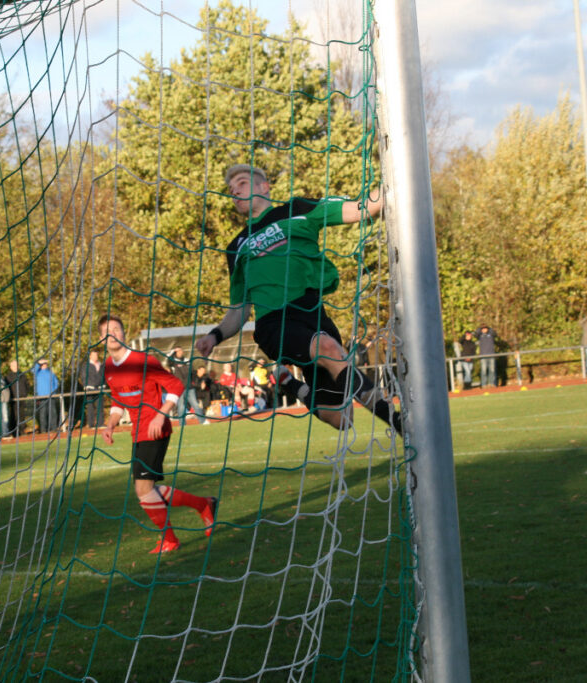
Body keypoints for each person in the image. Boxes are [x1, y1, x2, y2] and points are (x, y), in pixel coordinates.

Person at [194, 164, 400, 433]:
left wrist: (397, 181)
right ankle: (400, 423)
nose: (235, 191)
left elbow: (361, 208)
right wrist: (215, 335)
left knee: (342, 419)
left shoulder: (298, 210)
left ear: (263, 186)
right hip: (273, 323)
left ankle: (291, 384)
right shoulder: (237, 246)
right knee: (327, 348)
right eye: (231, 190)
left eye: (242, 183)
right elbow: (240, 308)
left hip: (312, 312)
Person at [99, 315, 217, 554]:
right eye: (107, 331)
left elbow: (176, 385)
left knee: (143, 489)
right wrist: (110, 424)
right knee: (147, 489)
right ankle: (203, 505)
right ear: (101, 338)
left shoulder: (144, 360)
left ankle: (171, 539)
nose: (113, 334)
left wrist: (161, 414)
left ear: (123, 333)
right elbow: (117, 402)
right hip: (138, 433)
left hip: (155, 429)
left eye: (117, 329)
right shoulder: (109, 368)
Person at [32, 358, 60, 433]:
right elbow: (33, 370)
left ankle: (53, 428)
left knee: (53, 413)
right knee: (43, 413)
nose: (44, 365)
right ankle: (43, 429)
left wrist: (53, 392)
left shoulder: (50, 372)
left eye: (45, 363)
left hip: (51, 396)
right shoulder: (37, 373)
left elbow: (56, 382)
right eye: (43, 364)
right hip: (42, 397)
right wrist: (39, 363)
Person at [79, 350, 106, 428]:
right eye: (94, 355)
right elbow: (83, 376)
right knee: (90, 407)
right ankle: (91, 424)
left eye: (96, 355)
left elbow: (104, 375)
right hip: (90, 389)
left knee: (100, 406)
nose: (95, 357)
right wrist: (86, 385)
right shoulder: (86, 366)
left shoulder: (101, 365)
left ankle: (100, 423)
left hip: (99, 388)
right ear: (90, 356)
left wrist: (103, 384)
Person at [4, 360, 30, 436]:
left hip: (22, 398)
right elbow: (6, 388)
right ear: (10, 367)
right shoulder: (8, 377)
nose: (15, 367)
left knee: (21, 415)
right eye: (13, 365)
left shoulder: (22, 375)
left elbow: (27, 385)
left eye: (16, 365)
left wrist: (25, 394)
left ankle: (22, 430)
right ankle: (14, 431)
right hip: (13, 399)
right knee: (14, 415)